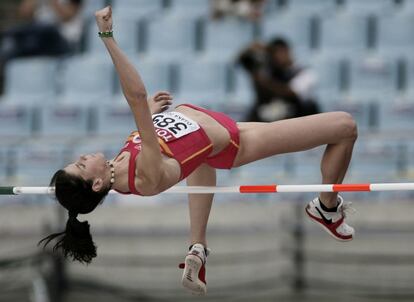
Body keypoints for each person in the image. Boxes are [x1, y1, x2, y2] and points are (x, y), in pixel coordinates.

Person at [38, 6, 358, 296]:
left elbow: (156, 137)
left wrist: (148, 114)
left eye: (75, 161)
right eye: (79, 166)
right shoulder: (143, 176)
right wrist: (107, 36)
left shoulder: (118, 165)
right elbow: (136, 95)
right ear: (96, 184)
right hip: (237, 141)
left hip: (211, 141)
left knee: (198, 166)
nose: (80, 158)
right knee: (344, 127)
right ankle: (326, 208)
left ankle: (197, 248)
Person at [0, 0, 83, 94]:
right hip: (39, 38)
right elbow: (25, 14)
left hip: (65, 39)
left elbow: (66, 16)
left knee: (47, 30)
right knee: (10, 40)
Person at [238, 38, 320, 122]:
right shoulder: (268, 71)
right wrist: (250, 49)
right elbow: (241, 61)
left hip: (295, 120)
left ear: (288, 51)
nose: (277, 56)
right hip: (267, 119)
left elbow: (290, 92)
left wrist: (264, 81)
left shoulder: (305, 73)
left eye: (280, 52)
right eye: (273, 53)